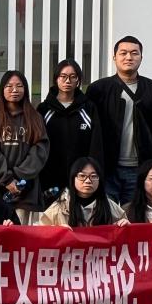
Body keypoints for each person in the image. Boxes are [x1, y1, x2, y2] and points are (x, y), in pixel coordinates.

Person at [87, 36, 152, 202]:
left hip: (140, 168)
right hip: (107, 168)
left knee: (134, 214)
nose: (129, 57)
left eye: (134, 53)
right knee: (105, 214)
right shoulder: (98, 89)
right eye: (123, 53)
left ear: (141, 57)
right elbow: (89, 131)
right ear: (114, 57)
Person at [0, 70, 49, 221]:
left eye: (19, 86)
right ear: (2, 89)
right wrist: (7, 179)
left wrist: (19, 176)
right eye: (9, 86)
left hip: (27, 188)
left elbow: (40, 149)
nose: (14, 90)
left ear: (25, 89)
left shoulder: (35, 117)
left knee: (22, 232)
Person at [38, 59, 104, 206]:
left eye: (73, 77)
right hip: (50, 178)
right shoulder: (44, 109)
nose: (68, 81)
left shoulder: (88, 108)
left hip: (81, 178)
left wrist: (92, 172)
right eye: (63, 76)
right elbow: (38, 145)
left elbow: (96, 145)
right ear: (56, 79)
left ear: (78, 80)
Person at [38, 158, 129, 228]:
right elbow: (41, 234)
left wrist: (125, 226)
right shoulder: (58, 208)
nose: (88, 181)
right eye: (82, 176)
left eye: (93, 176)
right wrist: (55, 230)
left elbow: (125, 236)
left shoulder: (110, 207)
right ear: (73, 178)